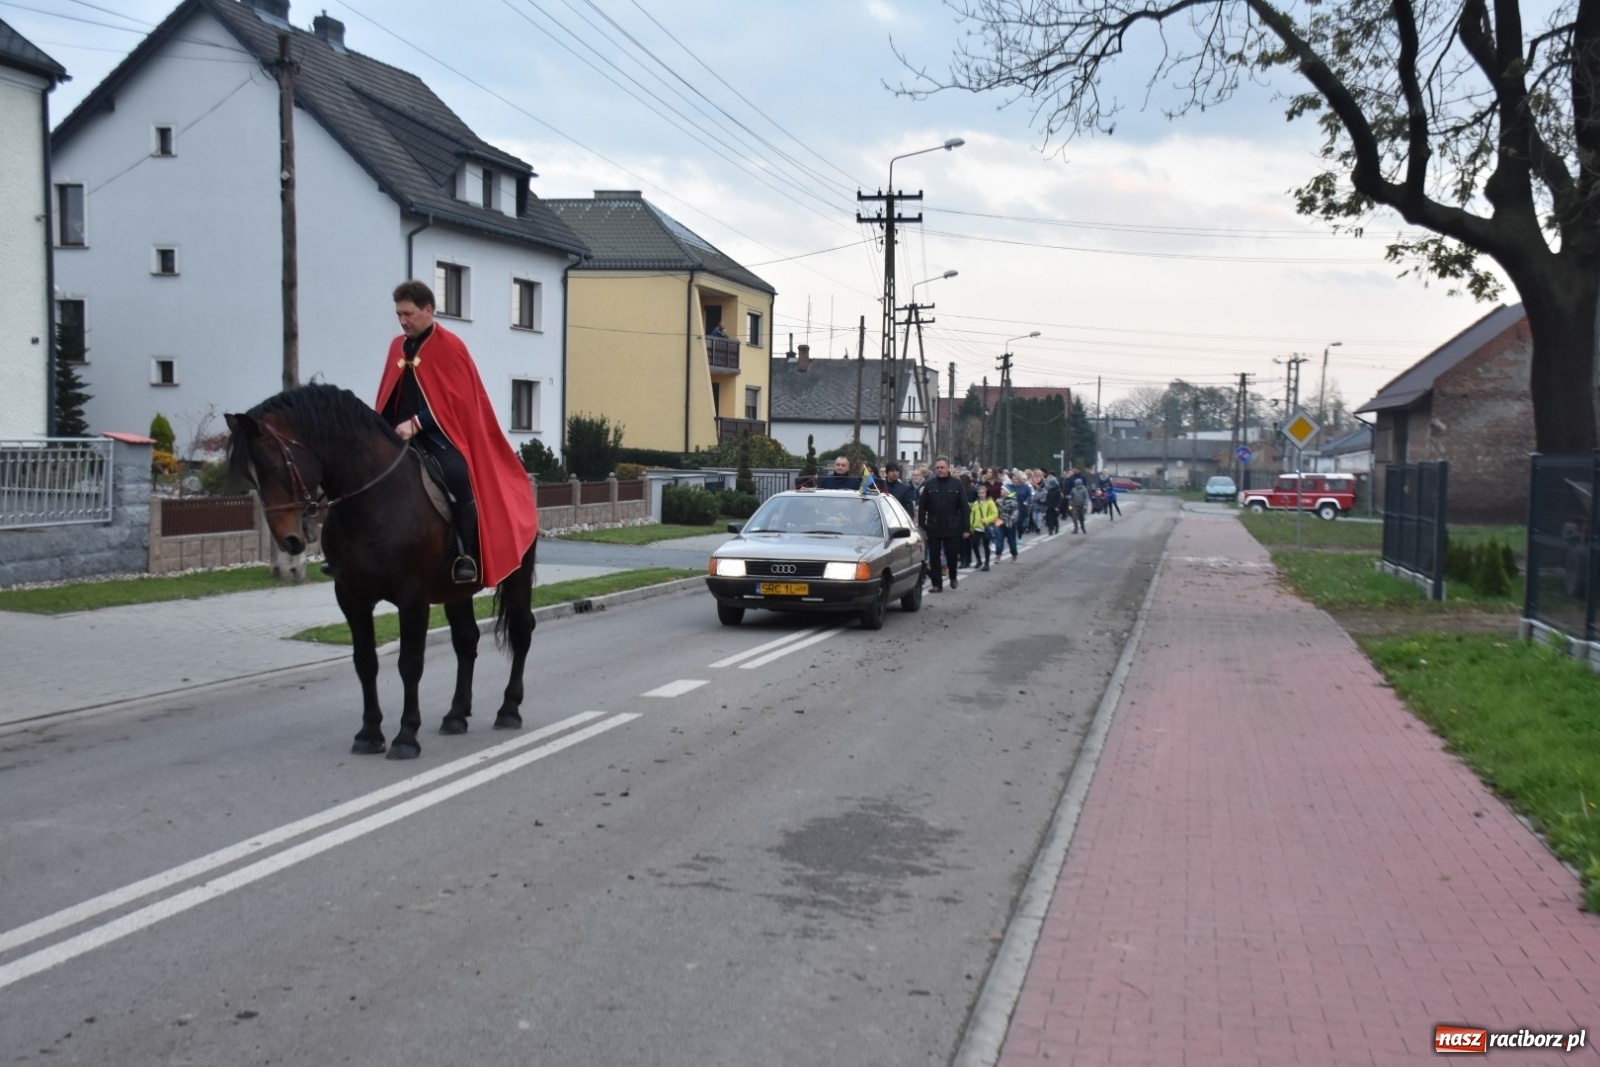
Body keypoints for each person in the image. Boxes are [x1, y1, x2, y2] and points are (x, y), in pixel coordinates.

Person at [377, 280, 538, 585]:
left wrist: (417, 423)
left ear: (428, 310)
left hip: (438, 435)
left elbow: (459, 400)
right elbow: (388, 393)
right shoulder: (396, 346)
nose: (402, 321)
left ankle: (466, 553)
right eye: (399, 314)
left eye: (408, 314)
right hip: (395, 432)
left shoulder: (450, 346)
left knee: (458, 475)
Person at [917, 455, 968, 592]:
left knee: (952, 555)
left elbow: (964, 507)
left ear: (948, 468)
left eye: (942, 468)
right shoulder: (930, 484)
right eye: (938, 468)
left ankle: (953, 576)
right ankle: (936, 584)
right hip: (934, 527)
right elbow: (922, 507)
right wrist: (922, 527)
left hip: (952, 527)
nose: (940, 470)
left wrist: (966, 528)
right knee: (934, 557)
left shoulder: (957, 484)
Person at [969, 482, 998, 571]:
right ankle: (979, 560)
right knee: (974, 544)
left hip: (986, 526)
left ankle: (987, 563)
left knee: (986, 546)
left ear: (986, 493)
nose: (981, 495)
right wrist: (971, 525)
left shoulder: (990, 502)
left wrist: (986, 520)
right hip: (977, 527)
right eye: (979, 493)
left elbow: (995, 514)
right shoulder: (976, 503)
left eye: (983, 493)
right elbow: (972, 514)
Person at [994, 486, 1021, 561]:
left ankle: (1014, 555)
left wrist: (1011, 520)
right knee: (999, 539)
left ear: (1007, 491)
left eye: (1003, 489)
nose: (1001, 490)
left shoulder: (1013, 500)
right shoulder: (999, 500)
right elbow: (996, 512)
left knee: (1011, 541)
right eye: (1001, 489)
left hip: (1010, 524)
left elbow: (1016, 512)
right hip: (1000, 522)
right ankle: (998, 555)